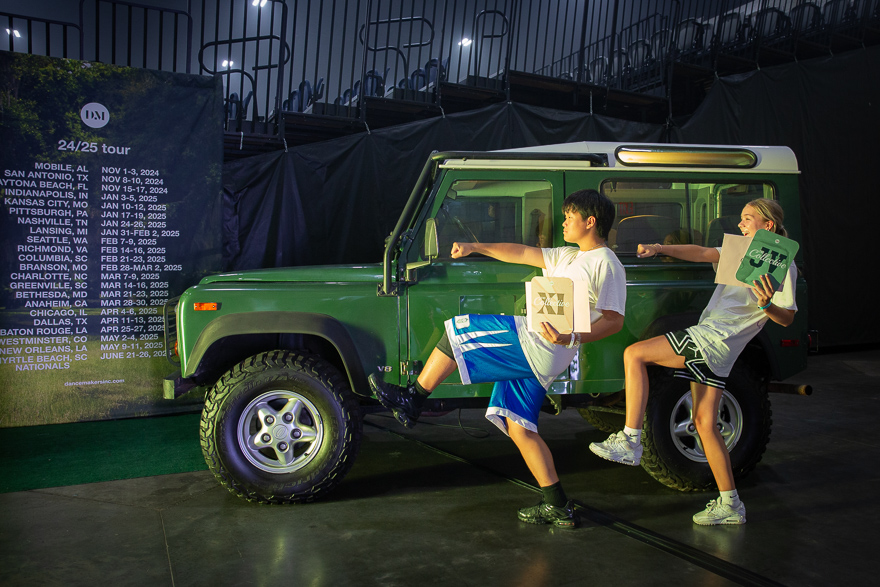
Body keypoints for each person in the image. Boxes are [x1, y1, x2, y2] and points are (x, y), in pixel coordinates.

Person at [369, 189, 626, 529]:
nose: (564, 222)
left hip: (543, 346)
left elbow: (614, 320)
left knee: (459, 329)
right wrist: (475, 247)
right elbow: (521, 252)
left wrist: (572, 337)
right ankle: (558, 505)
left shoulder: (607, 263)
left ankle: (413, 399)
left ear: (590, 221)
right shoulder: (569, 256)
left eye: (569, 217)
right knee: (519, 426)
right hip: (540, 346)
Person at [589, 198, 797, 526]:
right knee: (704, 424)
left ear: (768, 225)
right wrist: (659, 248)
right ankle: (731, 504)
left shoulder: (783, 265)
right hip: (720, 350)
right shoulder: (742, 251)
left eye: (747, 218)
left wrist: (766, 304)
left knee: (634, 354)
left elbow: (786, 318)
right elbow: (702, 252)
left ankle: (630, 440)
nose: (740, 224)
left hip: (713, 339)